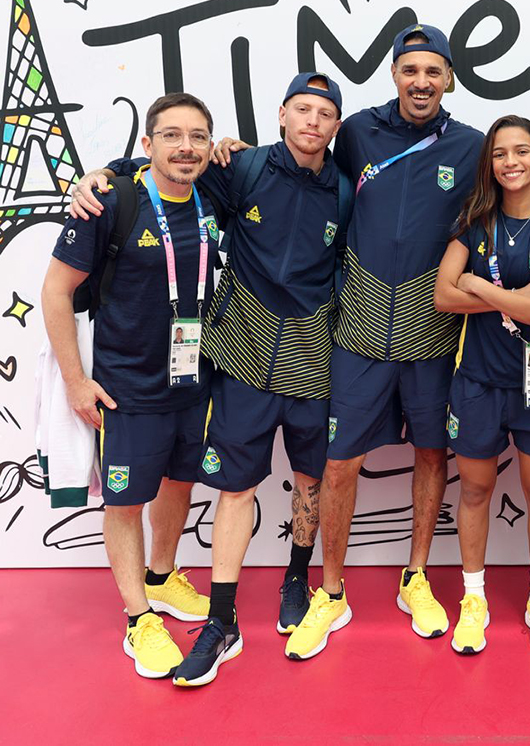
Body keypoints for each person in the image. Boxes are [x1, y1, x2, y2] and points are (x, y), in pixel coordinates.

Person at [70, 74, 353, 677]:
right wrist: (103, 173)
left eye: (326, 113)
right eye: (302, 109)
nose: (313, 121)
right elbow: (173, 167)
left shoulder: (345, 192)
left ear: (336, 126)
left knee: (310, 478)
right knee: (235, 487)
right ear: (281, 115)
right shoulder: (240, 170)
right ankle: (222, 621)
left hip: (313, 357)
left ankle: (295, 580)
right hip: (240, 357)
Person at [317, 23, 484, 646]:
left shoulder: (472, 145)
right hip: (358, 329)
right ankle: (330, 590)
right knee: (340, 465)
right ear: (394, 73)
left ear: (448, 79)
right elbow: (299, 165)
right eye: (410, 70)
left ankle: (415, 574)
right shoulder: (356, 131)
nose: (421, 82)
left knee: (433, 453)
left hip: (435, 332)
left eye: (433, 72)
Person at [43, 93, 219, 678]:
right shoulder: (108, 202)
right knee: (125, 502)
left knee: (178, 484)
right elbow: (56, 292)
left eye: (198, 136)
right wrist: (76, 382)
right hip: (125, 388)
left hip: (194, 381)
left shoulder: (213, 195)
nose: (186, 147)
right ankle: (139, 618)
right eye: (172, 135)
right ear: (148, 145)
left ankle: (164, 577)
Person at [433, 115, 530, 655]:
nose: (511, 162)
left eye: (522, 151)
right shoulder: (474, 222)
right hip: (477, 381)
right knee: (474, 490)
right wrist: (510, 292)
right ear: (489, 164)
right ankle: (474, 598)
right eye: (499, 154)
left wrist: (478, 283)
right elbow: (443, 297)